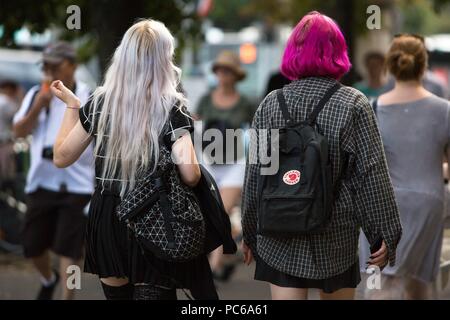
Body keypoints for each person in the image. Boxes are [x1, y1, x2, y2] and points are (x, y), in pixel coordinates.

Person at [50, 19, 219, 300]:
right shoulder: (172, 108)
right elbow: (190, 174)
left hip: (108, 217)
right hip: (157, 216)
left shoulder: (99, 104)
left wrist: (72, 106)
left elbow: (62, 157)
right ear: (165, 58)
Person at [241, 11, 402, 300]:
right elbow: (371, 174)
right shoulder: (353, 104)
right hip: (334, 236)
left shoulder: (270, 104)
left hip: (279, 233)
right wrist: (385, 233)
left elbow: (256, 174)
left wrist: (250, 230)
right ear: (338, 51)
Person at [359, 34, 450, 300]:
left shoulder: (373, 109)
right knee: (417, 283)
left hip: (381, 206)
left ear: (390, 65)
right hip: (428, 203)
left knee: (381, 284)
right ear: (424, 65)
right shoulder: (444, 111)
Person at [12, 42, 94, 300]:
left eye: (55, 65)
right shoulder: (38, 94)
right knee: (32, 245)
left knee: (68, 248)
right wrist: (39, 105)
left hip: (78, 184)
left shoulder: (89, 97)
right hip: (42, 181)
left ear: (72, 65)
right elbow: (19, 132)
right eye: (45, 66)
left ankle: (66, 297)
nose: (49, 72)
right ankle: (49, 280)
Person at [195, 50, 255, 281]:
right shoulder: (206, 99)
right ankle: (229, 255)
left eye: (227, 70)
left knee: (221, 213)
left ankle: (211, 269)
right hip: (209, 162)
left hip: (234, 163)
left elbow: (257, 130)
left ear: (235, 75)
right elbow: (195, 126)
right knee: (209, 215)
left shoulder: (245, 102)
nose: (223, 74)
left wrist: (259, 164)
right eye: (220, 70)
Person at [0, 80, 21, 186]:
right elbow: (20, 117)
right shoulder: (6, 101)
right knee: (7, 176)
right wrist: (20, 97)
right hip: (3, 143)